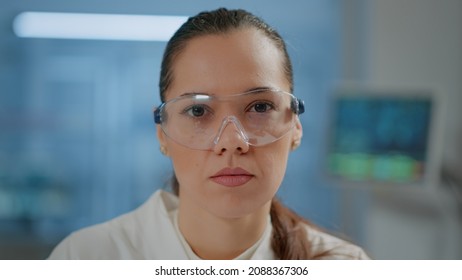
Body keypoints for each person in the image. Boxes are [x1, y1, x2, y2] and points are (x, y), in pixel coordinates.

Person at [48, 8, 369, 260]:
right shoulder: (85, 259)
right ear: (162, 133)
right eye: (198, 111)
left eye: (259, 107)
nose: (232, 142)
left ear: (295, 127)